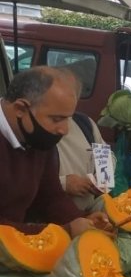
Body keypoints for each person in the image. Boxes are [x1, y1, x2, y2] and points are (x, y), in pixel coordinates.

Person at [0, 67, 112, 235]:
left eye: (68, 118)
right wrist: (66, 230)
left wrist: (80, 220)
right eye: (56, 119)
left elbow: (50, 196)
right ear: (20, 109)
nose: (64, 129)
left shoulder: (37, 139)